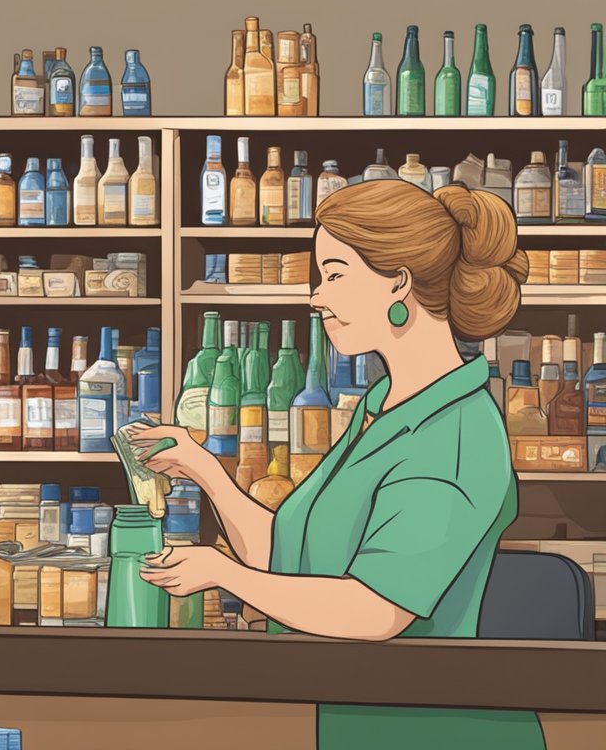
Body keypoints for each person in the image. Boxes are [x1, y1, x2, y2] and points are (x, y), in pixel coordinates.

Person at [129, 179, 546, 749]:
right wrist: (201, 468)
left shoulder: (454, 436)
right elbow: (288, 555)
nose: (316, 297)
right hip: (357, 719)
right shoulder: (380, 407)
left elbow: (375, 610)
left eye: (335, 275)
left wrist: (223, 574)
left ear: (397, 280)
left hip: (430, 731)